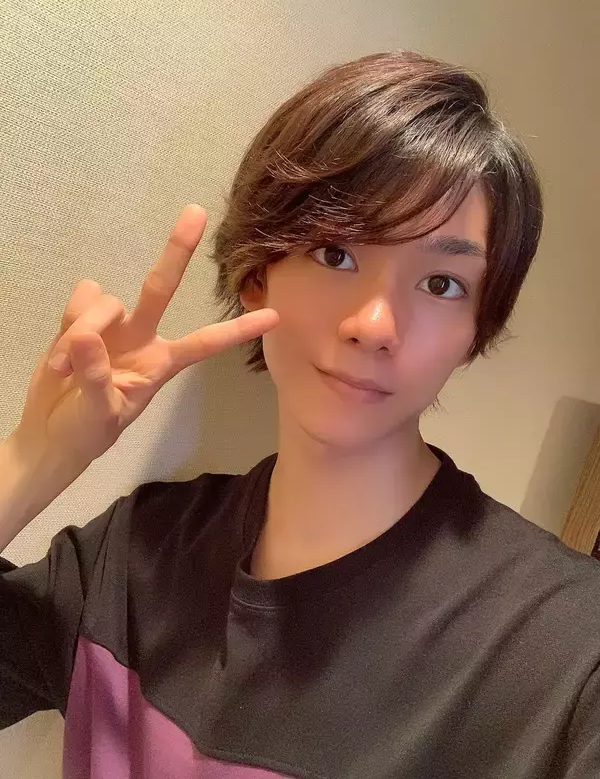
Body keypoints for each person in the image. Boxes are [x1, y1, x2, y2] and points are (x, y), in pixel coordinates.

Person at [1, 50, 599, 779]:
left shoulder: (567, 654)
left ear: (476, 328)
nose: (375, 325)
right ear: (259, 274)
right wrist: (34, 461)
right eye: (335, 253)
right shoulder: (132, 558)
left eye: (442, 283)